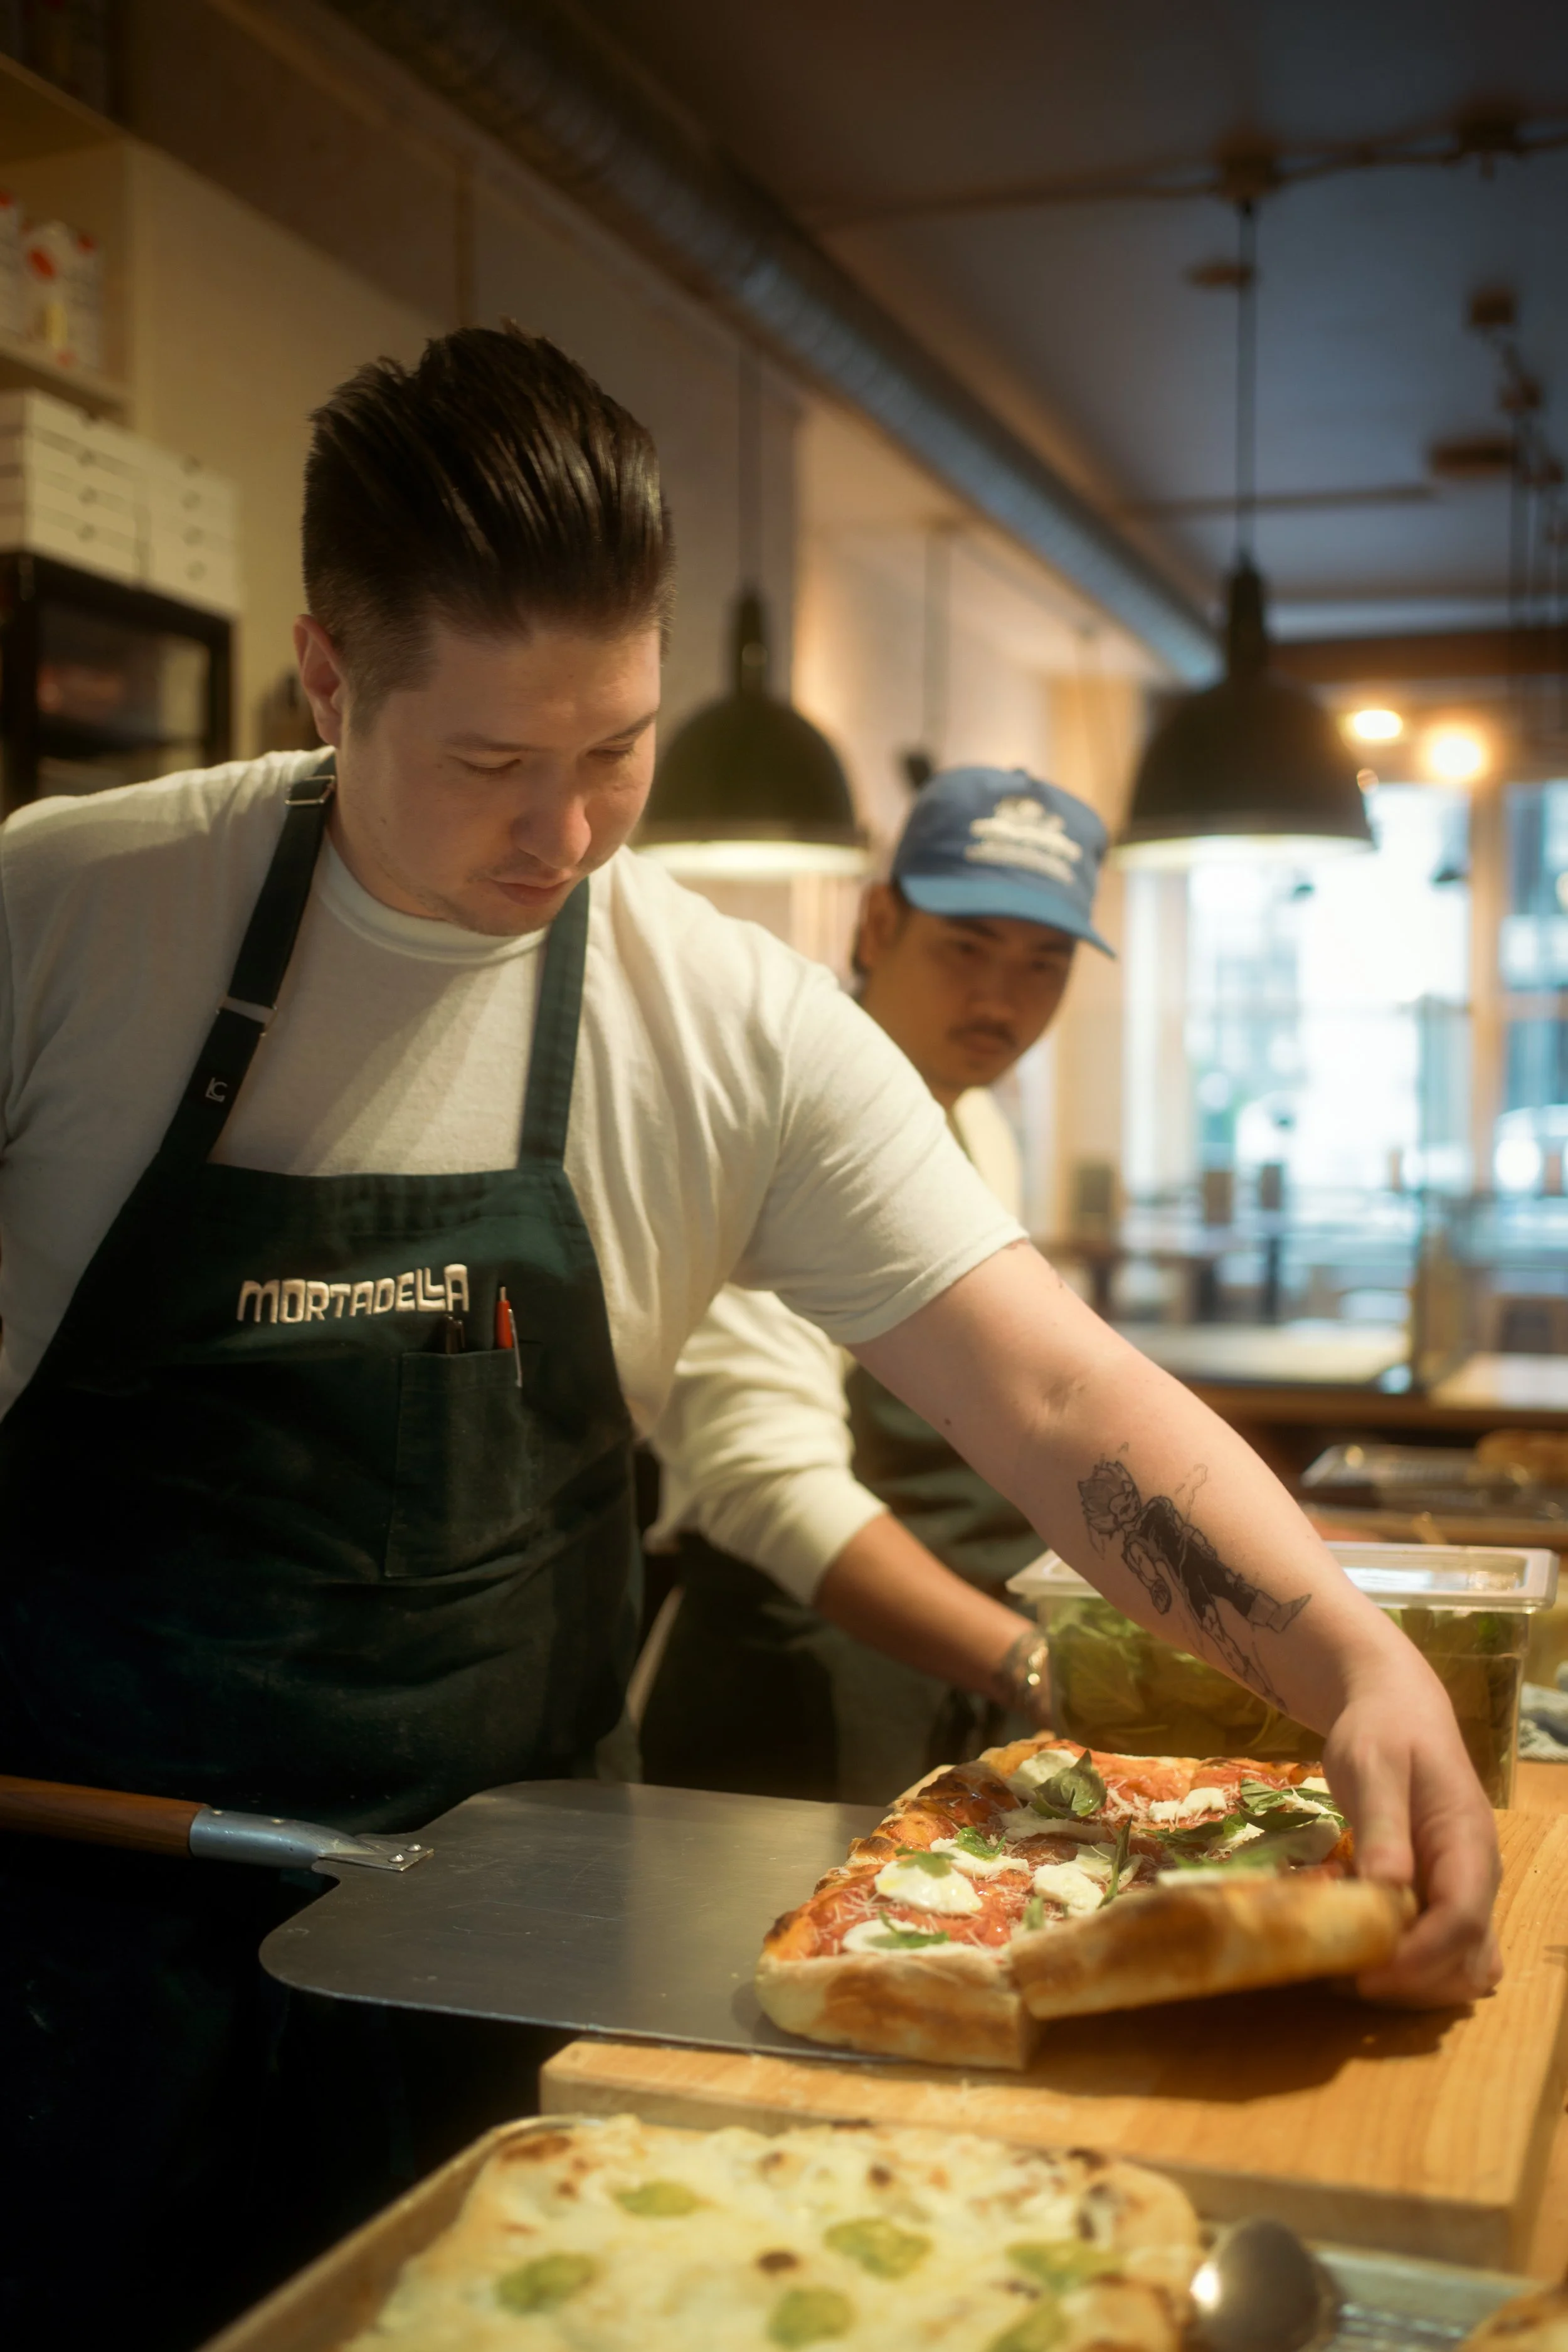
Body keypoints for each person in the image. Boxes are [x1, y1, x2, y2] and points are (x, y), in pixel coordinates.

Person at [0, 326, 1497, 2350]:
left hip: (505, 1922)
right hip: (63, 1939)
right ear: (330, 676)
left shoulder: (725, 1023)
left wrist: (1340, 1652)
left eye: (616, 748)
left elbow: (1052, 1392)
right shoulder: (69, 923)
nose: (571, 838)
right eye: (491, 764)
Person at [642, 765, 1113, 1802]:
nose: (1001, 1000)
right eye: (964, 950)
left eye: (1044, 963)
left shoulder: (974, 1116)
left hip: (950, 1684)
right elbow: (768, 1484)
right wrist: (1033, 1662)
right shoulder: (772, 1121)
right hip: (789, 1710)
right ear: (877, 923)